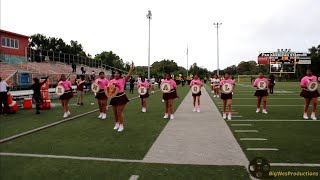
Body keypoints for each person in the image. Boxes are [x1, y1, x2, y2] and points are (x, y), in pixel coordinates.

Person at [109, 63, 134, 132]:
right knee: (114, 112)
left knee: (119, 112)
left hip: (121, 97)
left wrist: (131, 69)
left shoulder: (122, 80)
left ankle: (121, 125)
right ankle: (116, 124)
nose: (116, 74)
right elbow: (109, 90)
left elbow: (128, 75)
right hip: (114, 97)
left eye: (117, 73)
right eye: (115, 73)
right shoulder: (111, 81)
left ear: (120, 74)